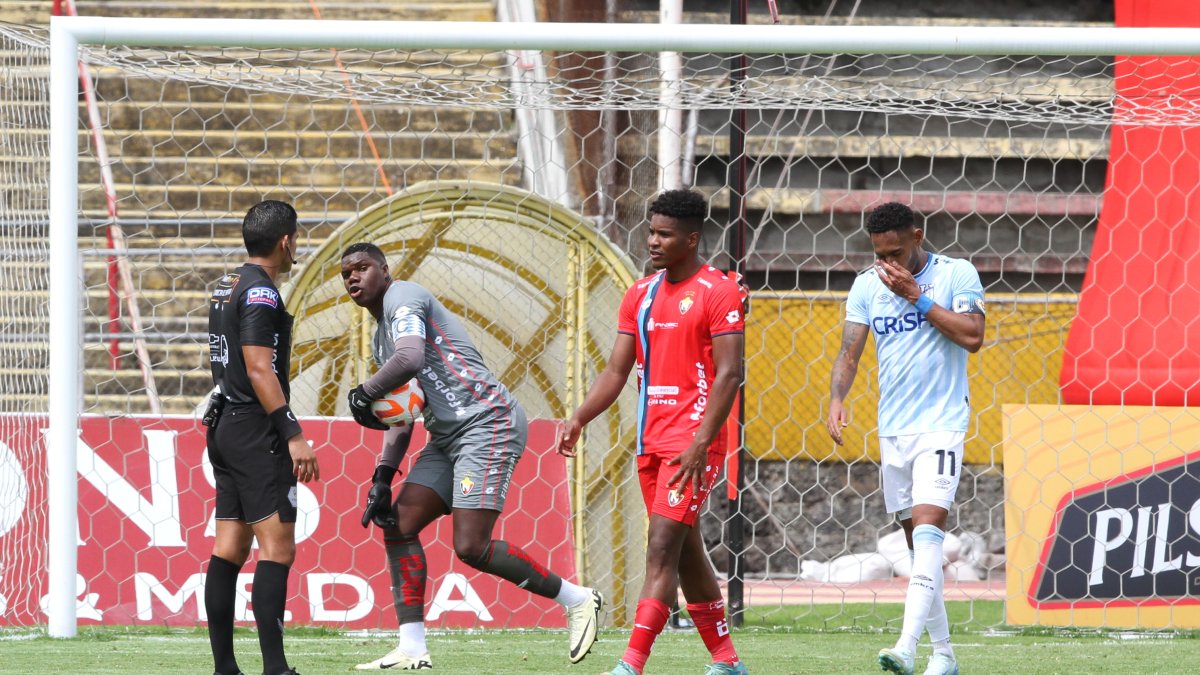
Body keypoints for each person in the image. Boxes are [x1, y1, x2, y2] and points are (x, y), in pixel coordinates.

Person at [340, 242, 604, 671]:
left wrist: (364, 393)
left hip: (488, 422)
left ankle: (577, 600)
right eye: (346, 273)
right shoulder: (379, 342)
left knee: (471, 546)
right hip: (446, 437)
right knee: (399, 523)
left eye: (362, 268)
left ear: (384, 271)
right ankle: (412, 648)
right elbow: (404, 418)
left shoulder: (403, 296)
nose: (353, 277)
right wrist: (383, 477)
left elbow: (412, 358)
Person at [557, 189, 749, 675]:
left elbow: (729, 374)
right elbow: (616, 372)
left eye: (664, 234)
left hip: (693, 442)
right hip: (651, 441)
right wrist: (580, 416)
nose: (653, 241)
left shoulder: (718, 290)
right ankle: (726, 661)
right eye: (651, 231)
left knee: (660, 546)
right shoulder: (639, 294)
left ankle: (631, 664)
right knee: (685, 554)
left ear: (692, 238)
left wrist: (702, 442)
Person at [826, 202, 985, 675]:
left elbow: (973, 336)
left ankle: (906, 647)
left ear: (917, 235)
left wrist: (917, 296)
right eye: (880, 255)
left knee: (931, 532)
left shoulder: (957, 274)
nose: (888, 264)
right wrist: (836, 397)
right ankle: (945, 655)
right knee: (919, 549)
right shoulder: (866, 285)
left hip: (941, 423)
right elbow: (849, 353)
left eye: (895, 252)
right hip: (892, 429)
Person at [203, 199, 320, 675]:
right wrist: (292, 433)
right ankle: (276, 668)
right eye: (297, 238)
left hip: (225, 424)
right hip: (255, 429)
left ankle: (226, 667)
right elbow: (258, 367)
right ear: (286, 241)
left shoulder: (225, 285)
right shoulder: (261, 294)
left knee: (230, 544)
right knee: (278, 547)